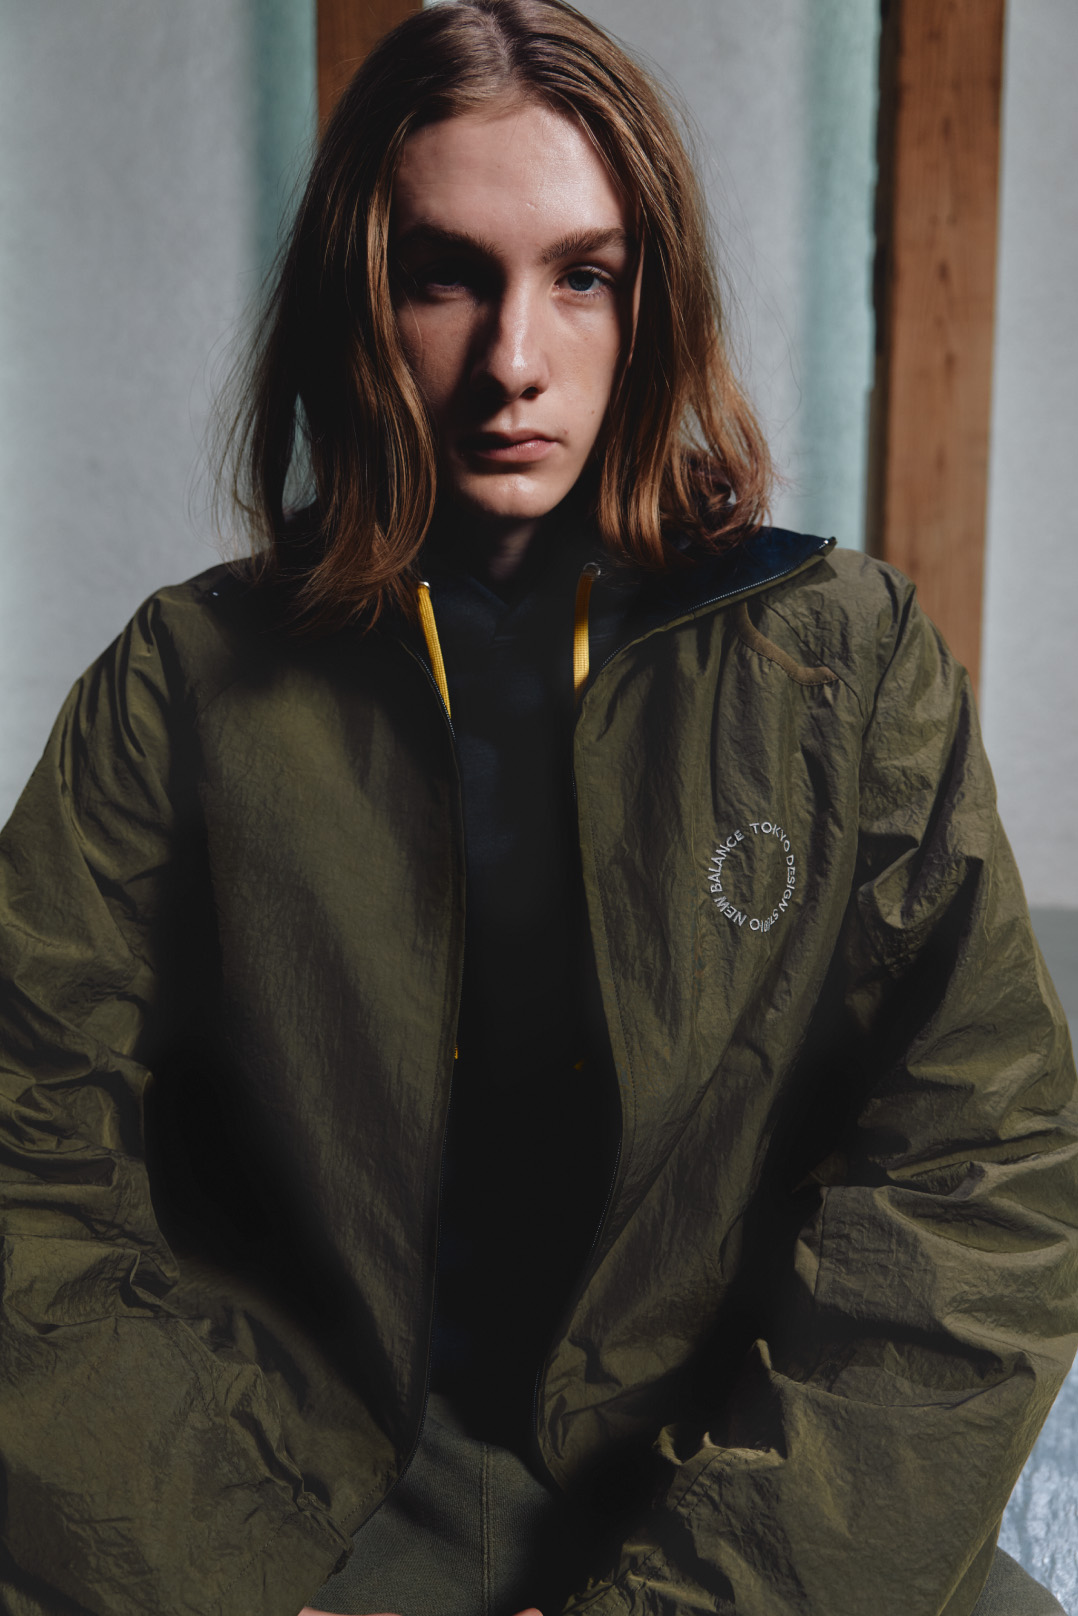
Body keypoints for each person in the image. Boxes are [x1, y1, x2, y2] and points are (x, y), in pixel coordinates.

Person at [0, 3, 1075, 1614]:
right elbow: (24, 1147)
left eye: (583, 277)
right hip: (287, 1473)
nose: (513, 359)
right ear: (361, 302)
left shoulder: (843, 662)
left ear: (654, 305)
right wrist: (225, 1573)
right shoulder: (188, 678)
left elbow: (974, 1172)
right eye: (446, 275)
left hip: (730, 1478)